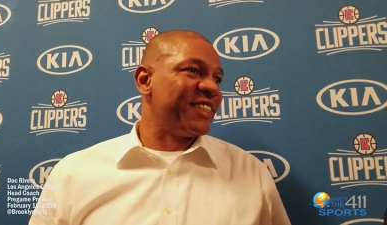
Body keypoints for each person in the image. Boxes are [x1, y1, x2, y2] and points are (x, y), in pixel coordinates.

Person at [29, 30, 291, 225]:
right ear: (145, 80)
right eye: (193, 70)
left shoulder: (251, 172)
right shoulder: (72, 174)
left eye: (218, 78)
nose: (213, 88)